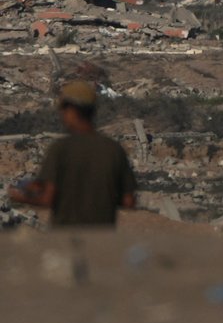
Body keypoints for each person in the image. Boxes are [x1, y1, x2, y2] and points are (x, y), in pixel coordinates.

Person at [7, 80, 136, 228]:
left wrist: (18, 196)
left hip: (67, 239)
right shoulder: (114, 149)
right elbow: (129, 201)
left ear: (72, 110)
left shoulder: (60, 149)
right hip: (103, 240)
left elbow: (47, 199)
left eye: (63, 110)